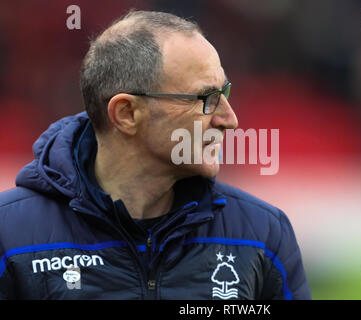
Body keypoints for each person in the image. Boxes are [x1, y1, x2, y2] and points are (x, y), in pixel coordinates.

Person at [0, 10, 310, 300]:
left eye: (224, 94)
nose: (229, 120)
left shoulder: (262, 233)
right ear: (127, 113)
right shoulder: (9, 236)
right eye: (206, 98)